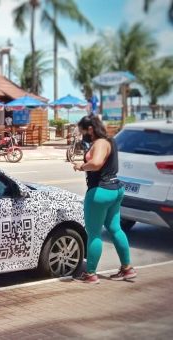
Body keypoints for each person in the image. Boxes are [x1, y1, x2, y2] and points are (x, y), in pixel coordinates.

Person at [72, 114, 136, 284]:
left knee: (93, 234)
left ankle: (90, 274)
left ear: (91, 129)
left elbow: (97, 163)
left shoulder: (100, 143)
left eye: (83, 130)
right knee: (115, 229)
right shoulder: (111, 140)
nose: (82, 134)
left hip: (100, 191)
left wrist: (81, 166)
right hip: (115, 189)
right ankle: (127, 269)